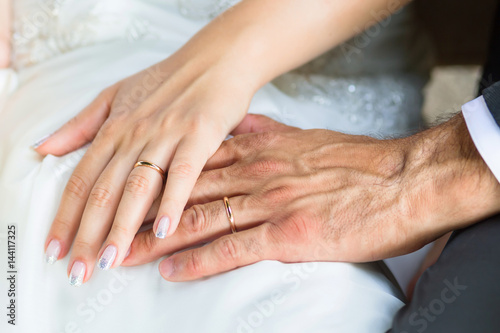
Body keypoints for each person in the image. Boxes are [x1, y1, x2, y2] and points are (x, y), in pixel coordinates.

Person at [0, 0, 430, 332]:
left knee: (295, 287)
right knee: (59, 220)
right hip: (82, 71)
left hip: (316, 84)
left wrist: (230, 60)